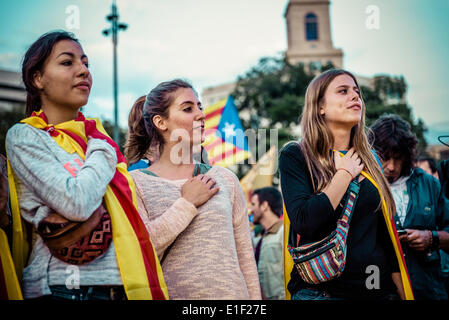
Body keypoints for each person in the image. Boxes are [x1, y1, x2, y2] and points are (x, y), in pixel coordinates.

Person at [5, 31, 168, 300]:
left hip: (122, 287)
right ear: (38, 78)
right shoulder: (27, 136)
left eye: (86, 63)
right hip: (65, 290)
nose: (83, 71)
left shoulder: (94, 138)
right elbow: (76, 201)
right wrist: (102, 147)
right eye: (68, 62)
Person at [279, 69, 413, 300]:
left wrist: (403, 294)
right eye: (343, 91)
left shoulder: (370, 159)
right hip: (323, 293)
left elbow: (384, 237)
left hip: (376, 292)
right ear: (320, 107)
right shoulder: (296, 155)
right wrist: (344, 174)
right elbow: (303, 221)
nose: (355, 96)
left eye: (357, 92)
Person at [126, 79, 261, 300]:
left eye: (199, 106)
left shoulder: (226, 179)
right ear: (161, 122)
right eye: (188, 108)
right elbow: (139, 253)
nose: (200, 114)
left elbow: (245, 258)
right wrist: (186, 204)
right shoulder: (134, 183)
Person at [370, 114, 449, 300]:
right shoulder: (364, 185)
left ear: (408, 155)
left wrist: (431, 237)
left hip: (427, 288)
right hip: (379, 287)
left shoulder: (429, 184)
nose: (391, 166)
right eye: (385, 157)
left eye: (398, 158)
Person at [250, 187, 285, 300]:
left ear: (264, 205)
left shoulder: (284, 232)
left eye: (253, 204)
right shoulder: (260, 238)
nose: (251, 210)